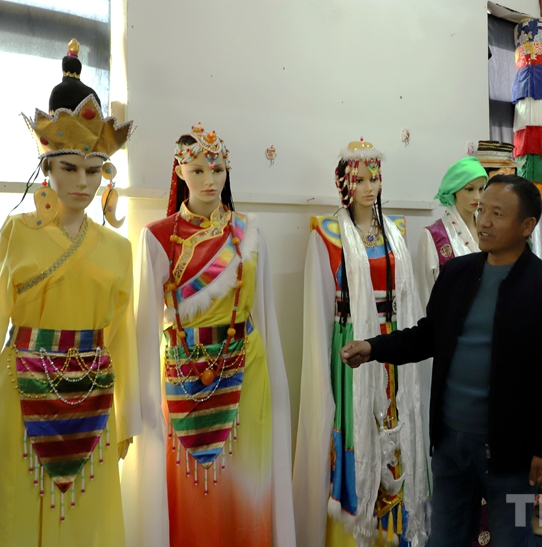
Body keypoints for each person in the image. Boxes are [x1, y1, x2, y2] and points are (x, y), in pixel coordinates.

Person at [342, 174, 542, 547]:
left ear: (527, 226)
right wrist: (373, 348)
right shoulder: (458, 274)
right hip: (450, 444)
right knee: (445, 539)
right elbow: (428, 335)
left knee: (511, 540)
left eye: (497, 214)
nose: (483, 221)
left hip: (512, 451)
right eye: (482, 209)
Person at [125, 124, 296, 547]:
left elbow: (265, 315)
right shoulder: (157, 237)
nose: (209, 180)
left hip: (247, 369)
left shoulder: (249, 232)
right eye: (198, 170)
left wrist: (277, 387)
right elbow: (145, 328)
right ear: (180, 171)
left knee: (247, 485)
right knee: (190, 492)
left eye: (217, 170)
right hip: (183, 373)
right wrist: (139, 405)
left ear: (227, 171)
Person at [0, 39, 140, 546]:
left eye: (94, 170)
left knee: (88, 520)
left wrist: (126, 414)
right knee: (20, 507)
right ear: (46, 168)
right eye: (69, 168)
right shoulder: (16, 233)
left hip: (94, 398)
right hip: (20, 390)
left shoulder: (118, 248)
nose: (83, 182)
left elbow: (121, 335)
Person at [293, 139, 430, 547]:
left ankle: (397, 531)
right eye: (361, 180)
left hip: (394, 338)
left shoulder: (396, 230)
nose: (370, 188)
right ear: (345, 184)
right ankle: (356, 531)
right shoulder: (328, 233)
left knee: (397, 421)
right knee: (359, 426)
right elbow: (320, 305)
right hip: (352, 341)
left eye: (375, 178)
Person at [415, 156, 486, 309]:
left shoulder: (488, 230)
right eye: (469, 189)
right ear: (454, 190)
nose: (477, 197)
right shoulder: (433, 236)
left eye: (481, 189)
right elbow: (425, 293)